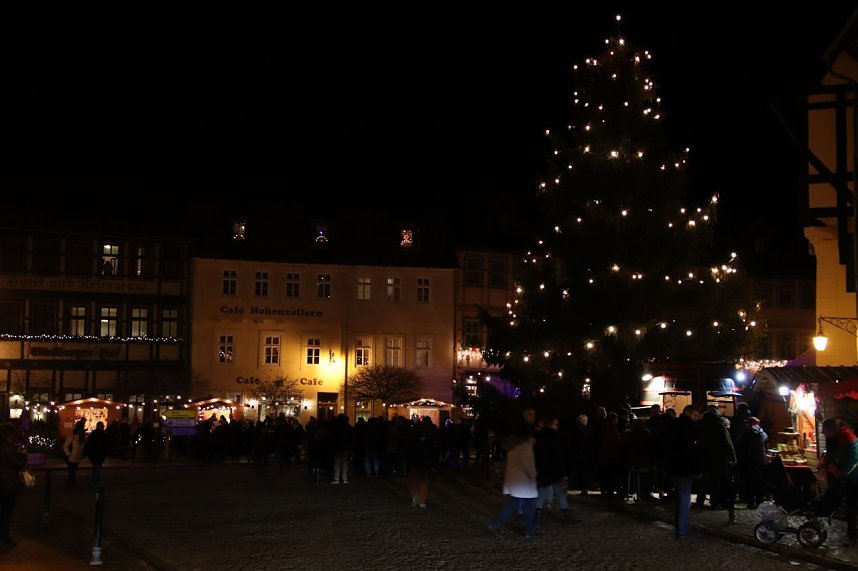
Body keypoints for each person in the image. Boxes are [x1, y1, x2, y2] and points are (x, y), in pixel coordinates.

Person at [488, 420, 539, 538]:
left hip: (513, 479)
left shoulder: (513, 445)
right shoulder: (525, 445)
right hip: (524, 481)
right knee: (529, 506)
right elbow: (527, 463)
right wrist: (533, 475)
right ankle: (529, 531)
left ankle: (496, 525)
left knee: (513, 504)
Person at [819, 417, 858, 547]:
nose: (823, 433)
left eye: (825, 431)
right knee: (851, 505)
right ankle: (852, 533)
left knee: (853, 505)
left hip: (855, 478)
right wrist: (826, 463)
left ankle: (853, 533)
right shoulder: (834, 438)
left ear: (832, 430)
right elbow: (831, 454)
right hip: (848, 478)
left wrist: (839, 471)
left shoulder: (848, 438)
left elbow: (853, 458)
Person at [666, 405, 702, 539]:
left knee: (681, 497)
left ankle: (680, 527)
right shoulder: (690, 428)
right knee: (684, 498)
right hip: (685, 469)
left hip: (675, 467)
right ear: (689, 413)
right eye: (695, 415)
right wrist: (697, 469)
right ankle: (682, 530)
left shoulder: (674, 425)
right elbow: (693, 452)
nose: (697, 418)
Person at [0, 422, 28, 548]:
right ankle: (4, 537)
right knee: (6, 511)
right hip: (6, 484)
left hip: (5, 483)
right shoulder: (7, 448)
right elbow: (18, 462)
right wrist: (23, 454)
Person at [406, 416, 439, 508]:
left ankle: (415, 496)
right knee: (423, 480)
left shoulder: (413, 433)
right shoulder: (431, 431)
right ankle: (422, 501)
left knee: (414, 479)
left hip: (414, 458)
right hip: (425, 458)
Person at [84, 421, 109, 488]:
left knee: (96, 468)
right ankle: (96, 482)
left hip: (96, 454)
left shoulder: (95, 434)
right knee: (97, 468)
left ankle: (94, 481)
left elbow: (89, 444)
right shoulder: (101, 434)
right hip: (96, 454)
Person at [63, 421, 86, 489]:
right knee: (72, 472)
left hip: (76, 458)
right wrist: (69, 454)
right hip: (71, 458)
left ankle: (71, 484)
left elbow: (80, 448)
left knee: (72, 472)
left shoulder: (80, 439)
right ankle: (71, 485)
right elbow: (65, 446)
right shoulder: (72, 437)